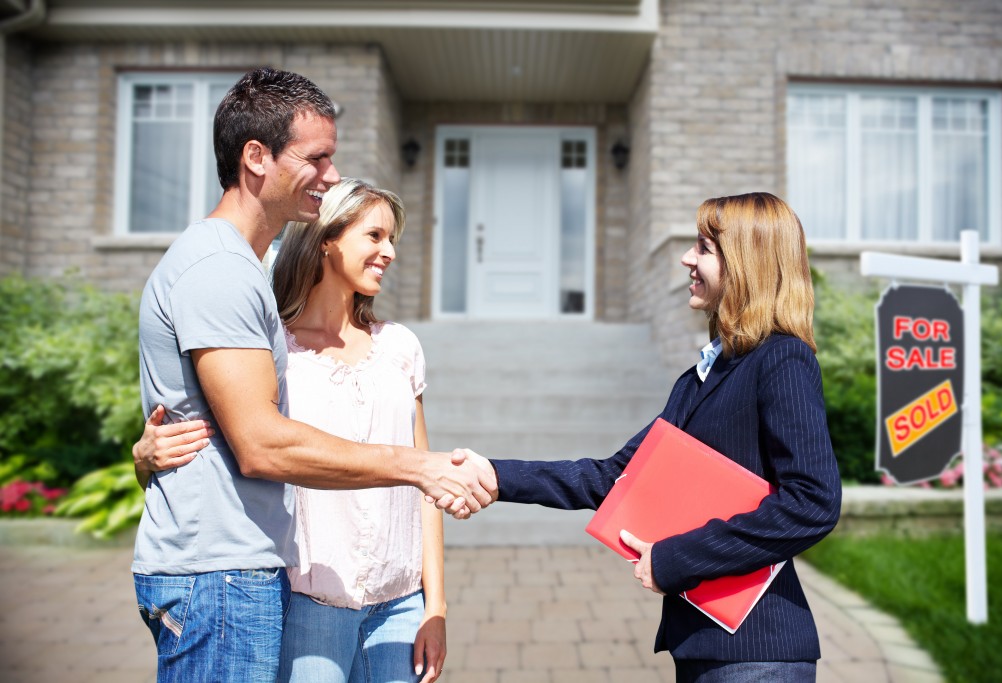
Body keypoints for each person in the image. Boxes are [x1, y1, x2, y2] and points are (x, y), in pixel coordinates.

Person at [133, 67, 493, 682]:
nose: (329, 177)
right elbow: (260, 442)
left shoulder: (243, 271)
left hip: (251, 571)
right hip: (224, 576)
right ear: (256, 157)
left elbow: (207, 415)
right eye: (318, 158)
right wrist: (417, 466)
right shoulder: (219, 269)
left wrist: (144, 454)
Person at [478, 192, 842, 681]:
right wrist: (493, 476)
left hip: (757, 653)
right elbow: (614, 477)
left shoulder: (782, 360)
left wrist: (677, 557)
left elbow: (812, 503)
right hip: (704, 648)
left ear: (746, 264)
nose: (687, 258)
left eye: (704, 248)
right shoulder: (699, 379)